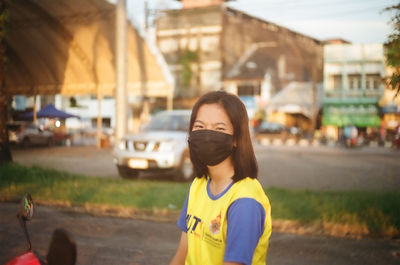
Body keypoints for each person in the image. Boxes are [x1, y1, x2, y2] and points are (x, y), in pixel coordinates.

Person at [169, 91, 272, 265]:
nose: (208, 135)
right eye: (200, 127)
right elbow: (182, 253)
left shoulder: (245, 202)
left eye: (219, 128)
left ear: (236, 139)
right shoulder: (198, 185)